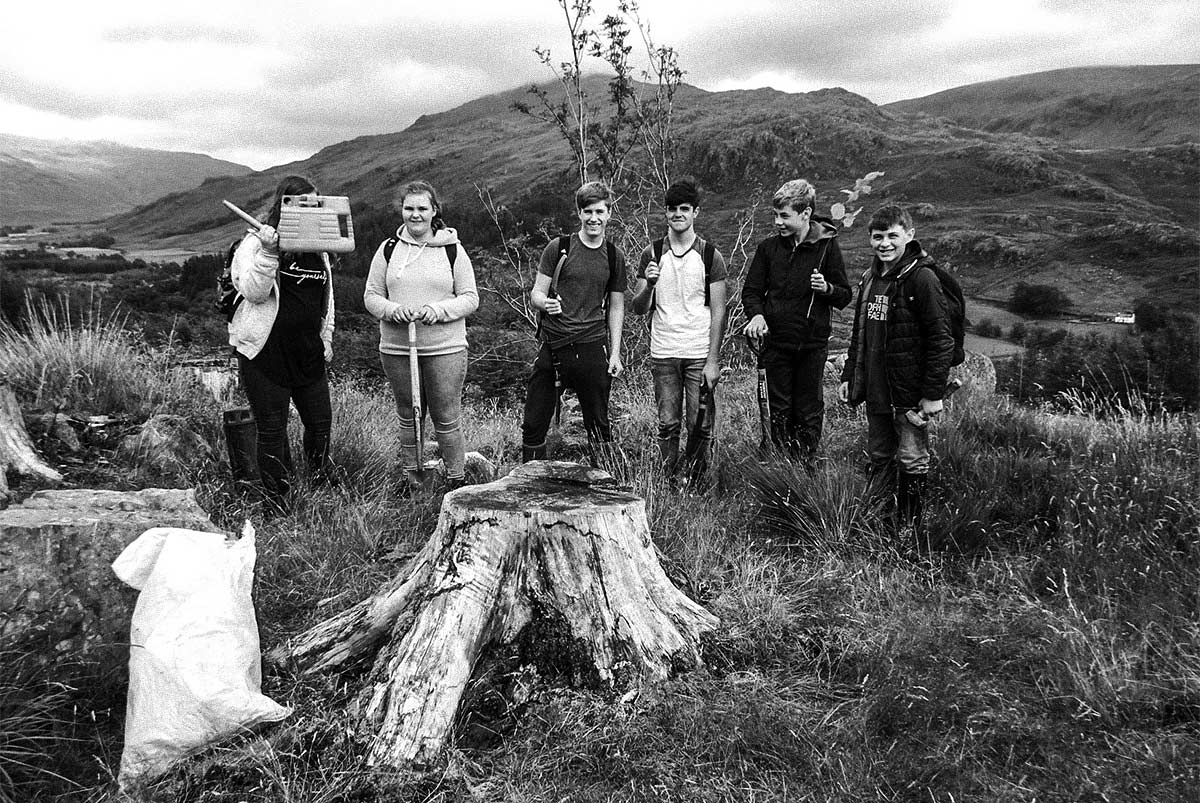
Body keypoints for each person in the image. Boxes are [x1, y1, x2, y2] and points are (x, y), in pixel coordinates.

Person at [838, 204, 955, 539]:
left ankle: (908, 531)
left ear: (910, 235)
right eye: (878, 237)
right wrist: (849, 376)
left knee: (912, 459)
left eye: (892, 236)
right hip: (877, 390)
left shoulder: (922, 277)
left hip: (908, 394)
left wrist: (932, 394)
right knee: (880, 456)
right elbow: (860, 334)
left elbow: (940, 339)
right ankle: (880, 523)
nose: (884, 243)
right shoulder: (870, 278)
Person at [228, 174, 336, 510]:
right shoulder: (253, 243)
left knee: (320, 422)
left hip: (307, 351)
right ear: (284, 206)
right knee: (272, 429)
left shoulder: (317, 249)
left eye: (315, 203)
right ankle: (277, 499)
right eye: (302, 203)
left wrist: (326, 336)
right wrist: (269, 252)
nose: (310, 210)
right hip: (265, 353)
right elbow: (253, 292)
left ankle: (320, 482)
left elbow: (327, 299)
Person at [365, 180, 479, 488]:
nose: (415, 215)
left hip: (445, 347)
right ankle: (413, 481)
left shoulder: (452, 249)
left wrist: (438, 310)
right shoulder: (388, 249)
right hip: (397, 347)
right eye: (409, 208)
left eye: (422, 209)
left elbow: (470, 297)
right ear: (401, 210)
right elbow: (372, 295)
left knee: (445, 416)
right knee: (409, 415)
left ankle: (457, 482)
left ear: (434, 211)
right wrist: (391, 310)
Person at [741, 179, 851, 460]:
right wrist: (756, 315)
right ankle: (777, 465)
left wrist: (826, 288)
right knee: (776, 408)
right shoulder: (768, 249)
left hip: (811, 346)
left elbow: (844, 295)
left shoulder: (827, 248)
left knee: (808, 409)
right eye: (776, 215)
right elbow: (752, 291)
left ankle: (805, 467)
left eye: (785, 216)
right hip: (774, 345)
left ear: (806, 214)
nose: (778, 222)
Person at [521, 180, 626, 462]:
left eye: (600, 212)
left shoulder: (614, 257)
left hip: (592, 347)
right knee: (533, 424)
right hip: (554, 347)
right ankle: (530, 483)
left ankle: (603, 485)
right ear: (579, 213)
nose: (594, 218)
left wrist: (615, 353)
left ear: (609, 213)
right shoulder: (559, 248)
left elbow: (616, 307)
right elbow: (536, 294)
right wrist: (546, 303)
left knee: (598, 427)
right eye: (588, 211)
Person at [629, 179, 728, 480]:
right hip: (664, 352)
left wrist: (713, 360)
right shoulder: (652, 253)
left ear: (695, 212)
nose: (678, 215)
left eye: (684, 209)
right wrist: (649, 284)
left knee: (700, 425)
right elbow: (637, 306)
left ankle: (696, 483)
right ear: (666, 213)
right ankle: (670, 481)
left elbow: (719, 310)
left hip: (698, 352)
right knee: (668, 424)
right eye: (672, 209)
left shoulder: (710, 256)